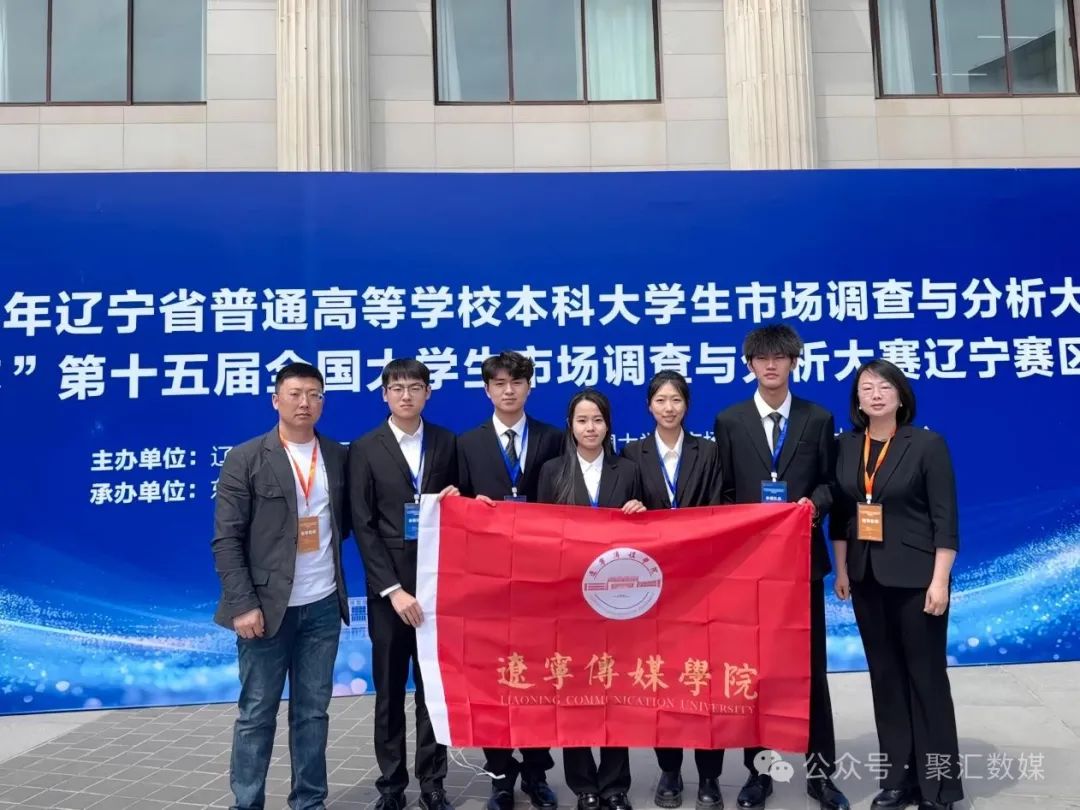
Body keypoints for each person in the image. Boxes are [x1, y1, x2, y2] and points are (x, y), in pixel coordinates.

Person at [712, 324, 848, 810]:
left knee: (811, 671)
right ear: (749, 364)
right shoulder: (729, 420)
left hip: (801, 564)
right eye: (762, 358)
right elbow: (726, 490)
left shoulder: (817, 417)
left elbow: (832, 483)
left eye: (780, 357)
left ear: (794, 362)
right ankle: (759, 773)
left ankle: (821, 775)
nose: (771, 366)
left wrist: (814, 504)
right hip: (751, 570)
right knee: (755, 672)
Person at [211, 362, 351, 810]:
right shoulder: (246, 457)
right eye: (295, 394)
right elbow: (226, 539)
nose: (305, 402)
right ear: (276, 400)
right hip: (266, 609)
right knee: (257, 713)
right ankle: (247, 802)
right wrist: (243, 604)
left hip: (322, 606)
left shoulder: (338, 455)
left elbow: (349, 521)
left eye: (314, 394)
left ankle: (309, 801)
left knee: (312, 713)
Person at [830, 359, 962, 810]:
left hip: (917, 580)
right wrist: (842, 570)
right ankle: (898, 780)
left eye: (885, 387)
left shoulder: (926, 444)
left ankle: (938, 788)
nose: (876, 394)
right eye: (867, 388)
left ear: (901, 396)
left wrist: (940, 581)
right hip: (866, 578)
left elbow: (945, 520)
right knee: (885, 680)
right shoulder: (846, 445)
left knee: (926, 679)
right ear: (857, 399)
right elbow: (843, 516)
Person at [349, 359, 460, 810]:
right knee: (390, 692)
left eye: (415, 387)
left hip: (437, 586)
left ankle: (433, 782)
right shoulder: (365, 447)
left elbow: (462, 508)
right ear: (384, 395)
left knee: (433, 690)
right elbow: (363, 525)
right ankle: (391, 786)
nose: (406, 395)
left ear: (428, 393)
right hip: (389, 595)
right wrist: (393, 590)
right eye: (397, 388)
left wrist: (458, 501)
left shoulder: (447, 442)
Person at [456, 351, 563, 810]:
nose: (508, 390)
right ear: (487, 390)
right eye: (499, 383)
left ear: (529, 387)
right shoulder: (467, 444)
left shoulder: (554, 438)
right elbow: (455, 509)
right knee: (493, 679)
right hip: (488, 583)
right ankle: (500, 776)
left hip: (542, 580)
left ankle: (537, 773)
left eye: (517, 382)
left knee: (538, 677)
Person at [620, 371, 725, 810]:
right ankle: (669, 770)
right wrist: (631, 510)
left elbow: (720, 507)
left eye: (676, 400)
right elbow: (621, 512)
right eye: (661, 400)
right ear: (649, 406)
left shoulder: (709, 451)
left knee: (706, 679)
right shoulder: (632, 453)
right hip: (654, 585)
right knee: (662, 677)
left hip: (703, 581)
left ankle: (710, 775)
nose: (668, 408)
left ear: (687, 405)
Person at [538, 387, 646, 810]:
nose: (590, 428)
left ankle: (616, 784)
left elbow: (649, 533)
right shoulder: (552, 472)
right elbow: (538, 533)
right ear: (570, 426)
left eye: (597, 420)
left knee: (616, 688)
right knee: (576, 688)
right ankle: (583, 784)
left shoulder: (629, 469)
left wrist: (640, 512)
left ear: (608, 425)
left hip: (619, 598)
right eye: (582, 420)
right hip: (569, 599)